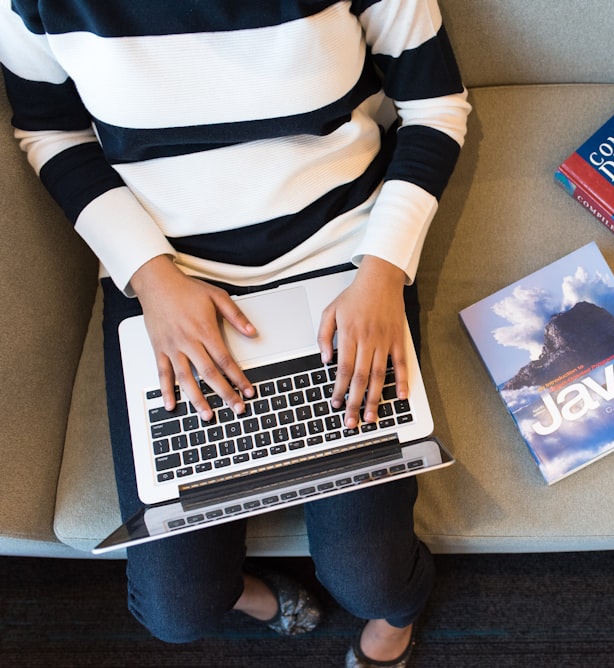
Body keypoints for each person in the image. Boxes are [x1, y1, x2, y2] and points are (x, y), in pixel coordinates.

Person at [1, 1, 470, 665]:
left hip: (344, 260)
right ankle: (253, 595)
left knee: (371, 575)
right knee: (176, 609)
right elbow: (50, 131)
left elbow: (436, 106)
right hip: (167, 277)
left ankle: (399, 614)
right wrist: (152, 279)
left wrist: (385, 272)